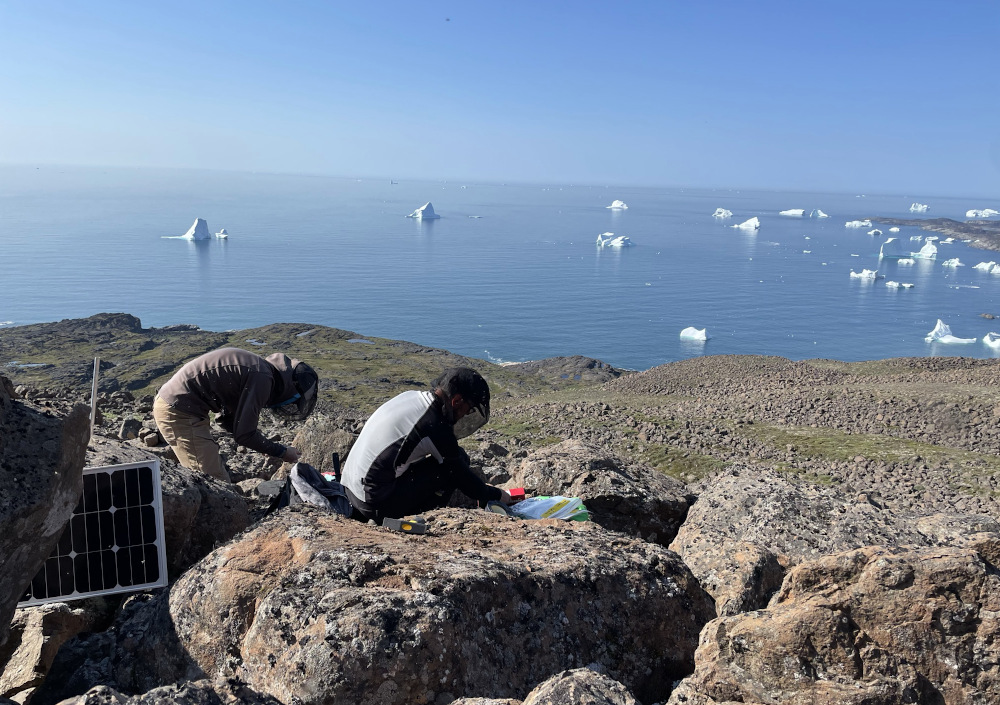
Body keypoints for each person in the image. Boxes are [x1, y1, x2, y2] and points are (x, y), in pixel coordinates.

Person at [342, 367, 511, 522]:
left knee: (454, 458)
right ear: (457, 401)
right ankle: (424, 516)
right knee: (453, 467)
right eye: (469, 409)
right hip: (373, 504)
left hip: (350, 490)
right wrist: (496, 494)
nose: (466, 414)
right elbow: (462, 477)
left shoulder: (411, 396)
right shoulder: (434, 425)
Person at [153, 347, 318, 482]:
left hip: (179, 406)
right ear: (290, 387)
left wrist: (263, 444)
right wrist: (282, 452)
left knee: (212, 474)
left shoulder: (261, 369)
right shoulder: (262, 378)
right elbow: (243, 435)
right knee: (213, 481)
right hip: (178, 412)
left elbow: (226, 419)